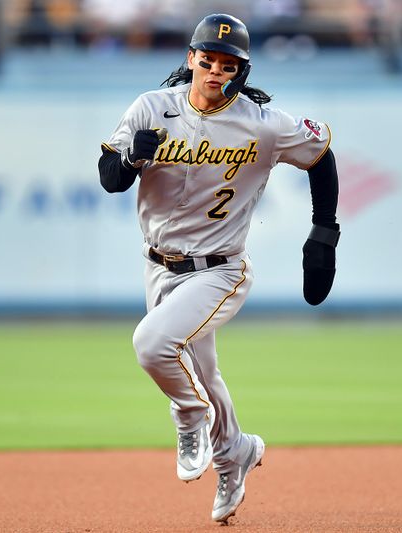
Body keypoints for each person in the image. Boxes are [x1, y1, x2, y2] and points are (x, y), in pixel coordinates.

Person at [98, 13, 340, 524]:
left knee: (153, 344)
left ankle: (190, 417)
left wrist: (325, 231)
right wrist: (130, 162)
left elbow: (321, 154)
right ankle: (235, 454)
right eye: (206, 60)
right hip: (159, 268)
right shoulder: (152, 108)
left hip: (220, 270)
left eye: (226, 64)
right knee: (204, 371)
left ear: (241, 71)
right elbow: (109, 179)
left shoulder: (263, 123)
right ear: (191, 59)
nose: (214, 71)